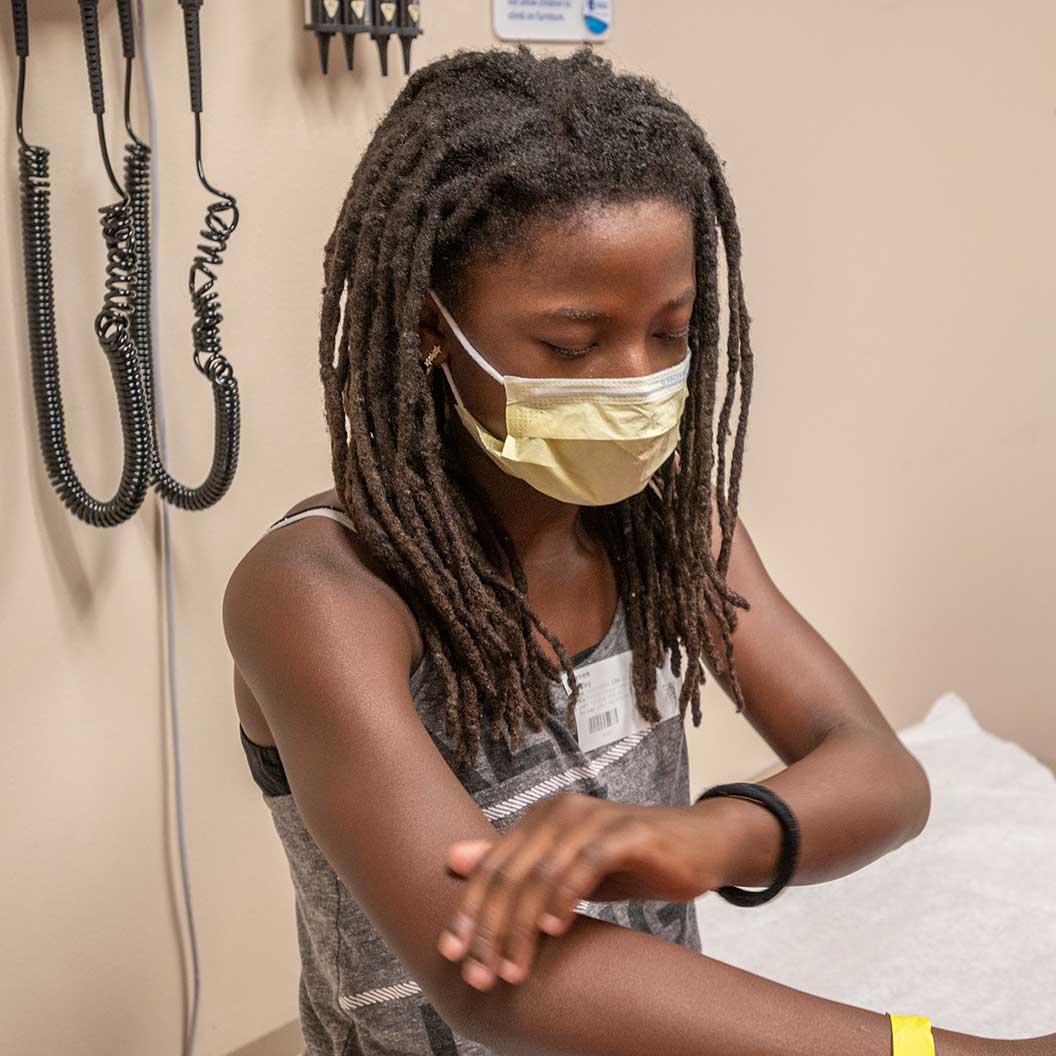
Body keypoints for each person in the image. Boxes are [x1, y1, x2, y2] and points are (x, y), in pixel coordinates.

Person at [222, 44, 1053, 1056]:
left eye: (672, 332)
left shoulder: (671, 529)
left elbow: (881, 774)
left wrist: (704, 839)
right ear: (432, 327)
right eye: (572, 346)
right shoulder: (322, 594)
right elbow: (493, 982)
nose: (635, 383)